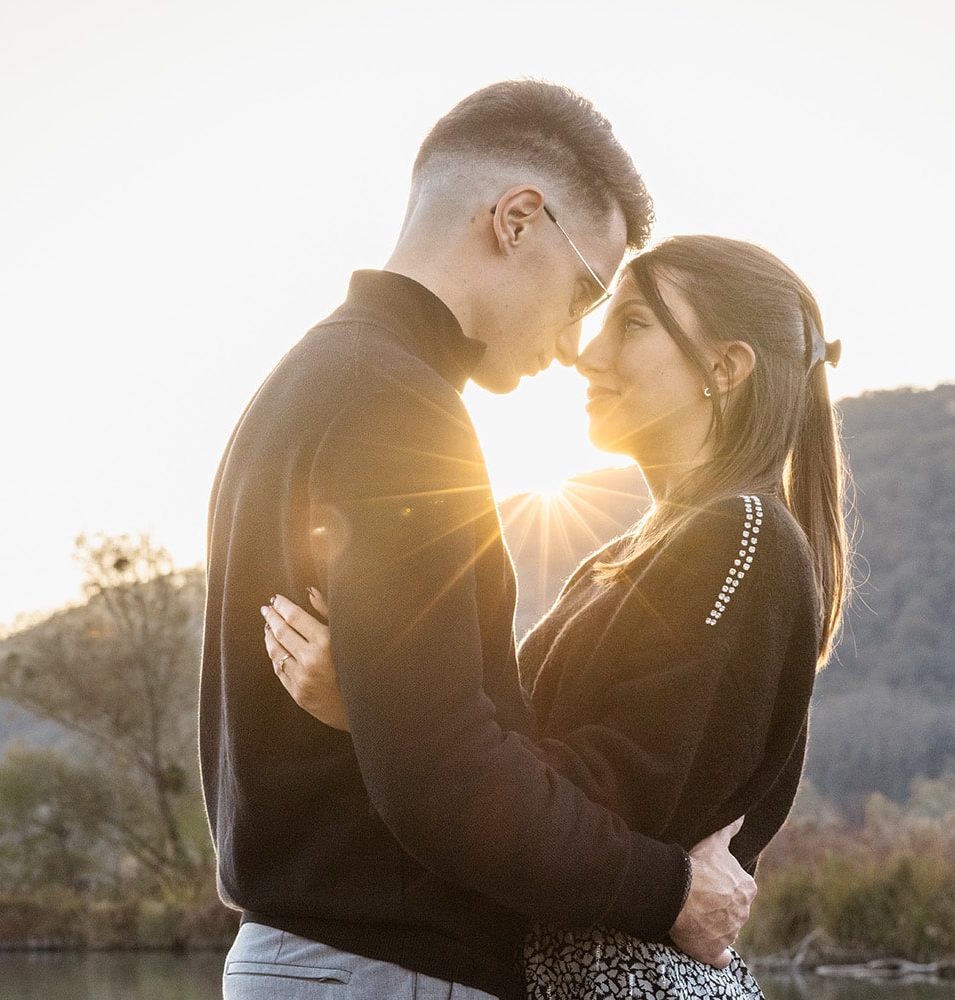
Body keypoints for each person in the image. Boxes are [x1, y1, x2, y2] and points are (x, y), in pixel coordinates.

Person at [200, 81, 755, 1000]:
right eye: (584, 289)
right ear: (516, 219)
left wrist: (378, 710)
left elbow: (425, 736)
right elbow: (444, 777)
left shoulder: (308, 382)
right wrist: (670, 894)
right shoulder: (399, 406)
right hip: (388, 972)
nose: (578, 340)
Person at [266, 233, 852, 998]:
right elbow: (528, 744)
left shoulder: (741, 538)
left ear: (725, 367)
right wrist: (394, 697)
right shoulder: (641, 552)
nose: (587, 352)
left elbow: (607, 795)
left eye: (634, 325)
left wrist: (379, 711)